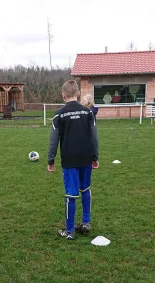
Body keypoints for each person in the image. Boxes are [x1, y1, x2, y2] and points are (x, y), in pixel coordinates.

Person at [48, 80, 99, 240]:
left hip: (69, 159)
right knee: (85, 189)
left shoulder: (59, 114)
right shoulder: (88, 112)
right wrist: (95, 156)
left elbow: (53, 140)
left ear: (63, 95)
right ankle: (86, 222)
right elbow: (94, 137)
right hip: (86, 157)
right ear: (78, 94)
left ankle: (70, 231)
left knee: (71, 194)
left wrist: (51, 160)